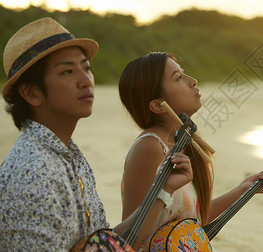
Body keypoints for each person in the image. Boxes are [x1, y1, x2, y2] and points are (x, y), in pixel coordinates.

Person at [0, 18, 182, 251]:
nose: (85, 81)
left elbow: (105, 241)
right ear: (31, 92)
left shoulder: (68, 155)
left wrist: (163, 189)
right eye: (67, 71)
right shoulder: (33, 171)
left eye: (86, 68)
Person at [118, 52, 263, 252]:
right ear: (157, 105)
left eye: (184, 74)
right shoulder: (149, 148)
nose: (193, 81)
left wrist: (243, 188)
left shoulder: (184, 143)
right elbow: (125, 242)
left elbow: (191, 221)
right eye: (178, 78)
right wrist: (165, 190)